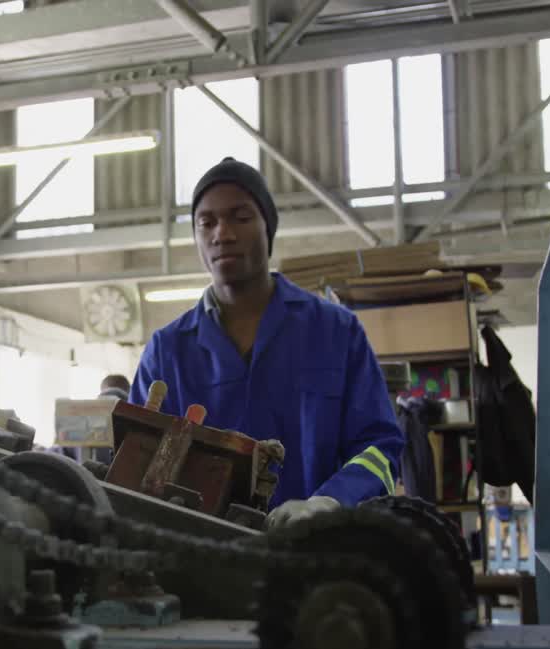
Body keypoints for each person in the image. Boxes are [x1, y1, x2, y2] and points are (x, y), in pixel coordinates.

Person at [128, 157, 404, 530]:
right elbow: (137, 465)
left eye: (240, 217)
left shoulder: (336, 333)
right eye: (206, 222)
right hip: (198, 562)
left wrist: (332, 502)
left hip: (317, 556)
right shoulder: (167, 351)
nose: (222, 234)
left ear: (267, 227)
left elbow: (380, 450)